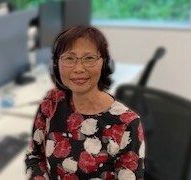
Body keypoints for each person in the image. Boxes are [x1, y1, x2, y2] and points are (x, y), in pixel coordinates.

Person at [25, 25, 145, 180]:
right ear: (56, 65)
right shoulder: (52, 103)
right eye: (69, 58)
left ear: (105, 64)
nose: (79, 68)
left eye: (89, 58)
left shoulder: (127, 124)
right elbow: (34, 156)